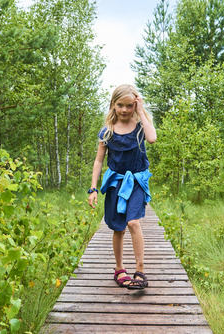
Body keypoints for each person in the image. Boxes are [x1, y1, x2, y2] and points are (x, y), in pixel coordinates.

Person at [88, 84, 157, 289]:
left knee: (133, 222)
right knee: (118, 227)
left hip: (136, 182)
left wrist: (141, 111)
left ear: (134, 105)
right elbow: (99, 161)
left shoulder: (140, 127)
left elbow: (152, 138)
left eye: (129, 106)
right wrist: (93, 188)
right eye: (121, 105)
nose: (125, 110)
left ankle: (140, 270)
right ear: (113, 105)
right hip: (115, 183)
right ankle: (119, 268)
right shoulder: (107, 132)